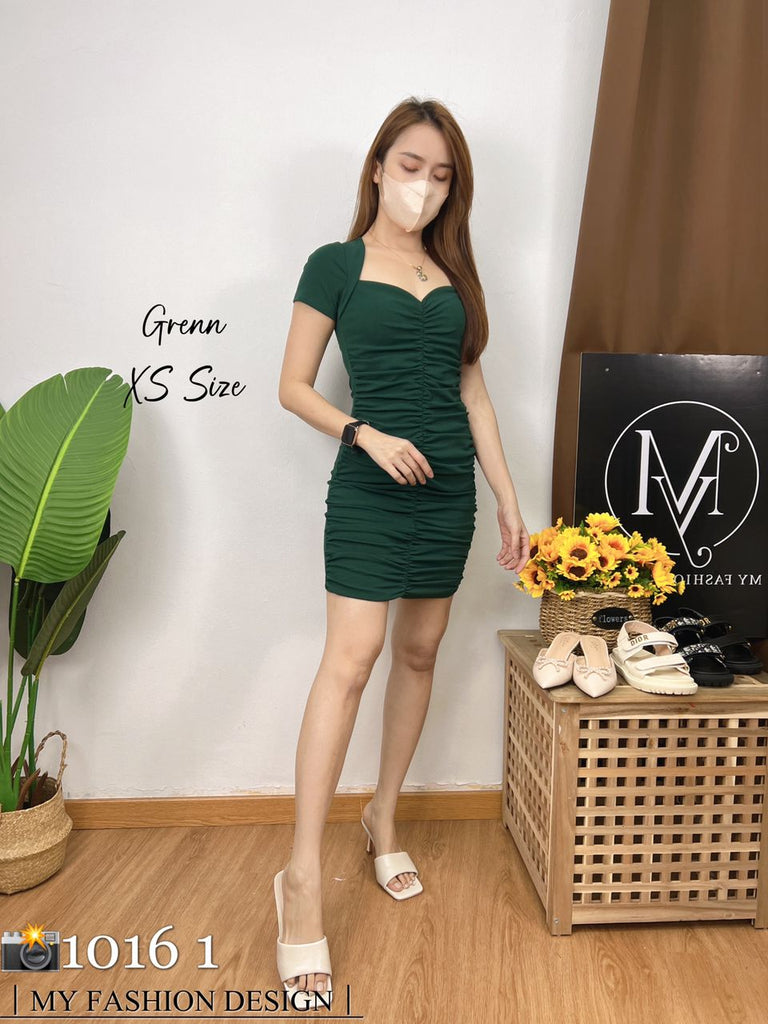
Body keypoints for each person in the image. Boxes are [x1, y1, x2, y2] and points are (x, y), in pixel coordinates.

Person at [275, 96, 529, 1008]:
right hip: (370, 492)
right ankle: (301, 878)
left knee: (419, 654)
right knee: (351, 662)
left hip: (448, 494)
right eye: (411, 165)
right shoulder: (335, 264)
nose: (424, 185)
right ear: (379, 167)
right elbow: (292, 385)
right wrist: (365, 434)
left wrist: (507, 498)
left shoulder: (453, 274)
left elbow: (475, 396)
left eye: (442, 174)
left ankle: (383, 817)